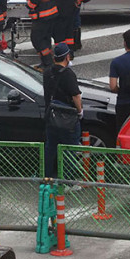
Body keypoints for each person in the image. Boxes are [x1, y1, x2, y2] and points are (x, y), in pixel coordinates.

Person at [43, 42, 82, 178]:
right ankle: (67, 180)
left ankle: (47, 176)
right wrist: (80, 111)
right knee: (70, 149)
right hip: (67, 118)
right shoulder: (68, 74)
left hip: (51, 116)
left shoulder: (47, 72)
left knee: (51, 147)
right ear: (66, 57)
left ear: (54, 58)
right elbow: (76, 95)